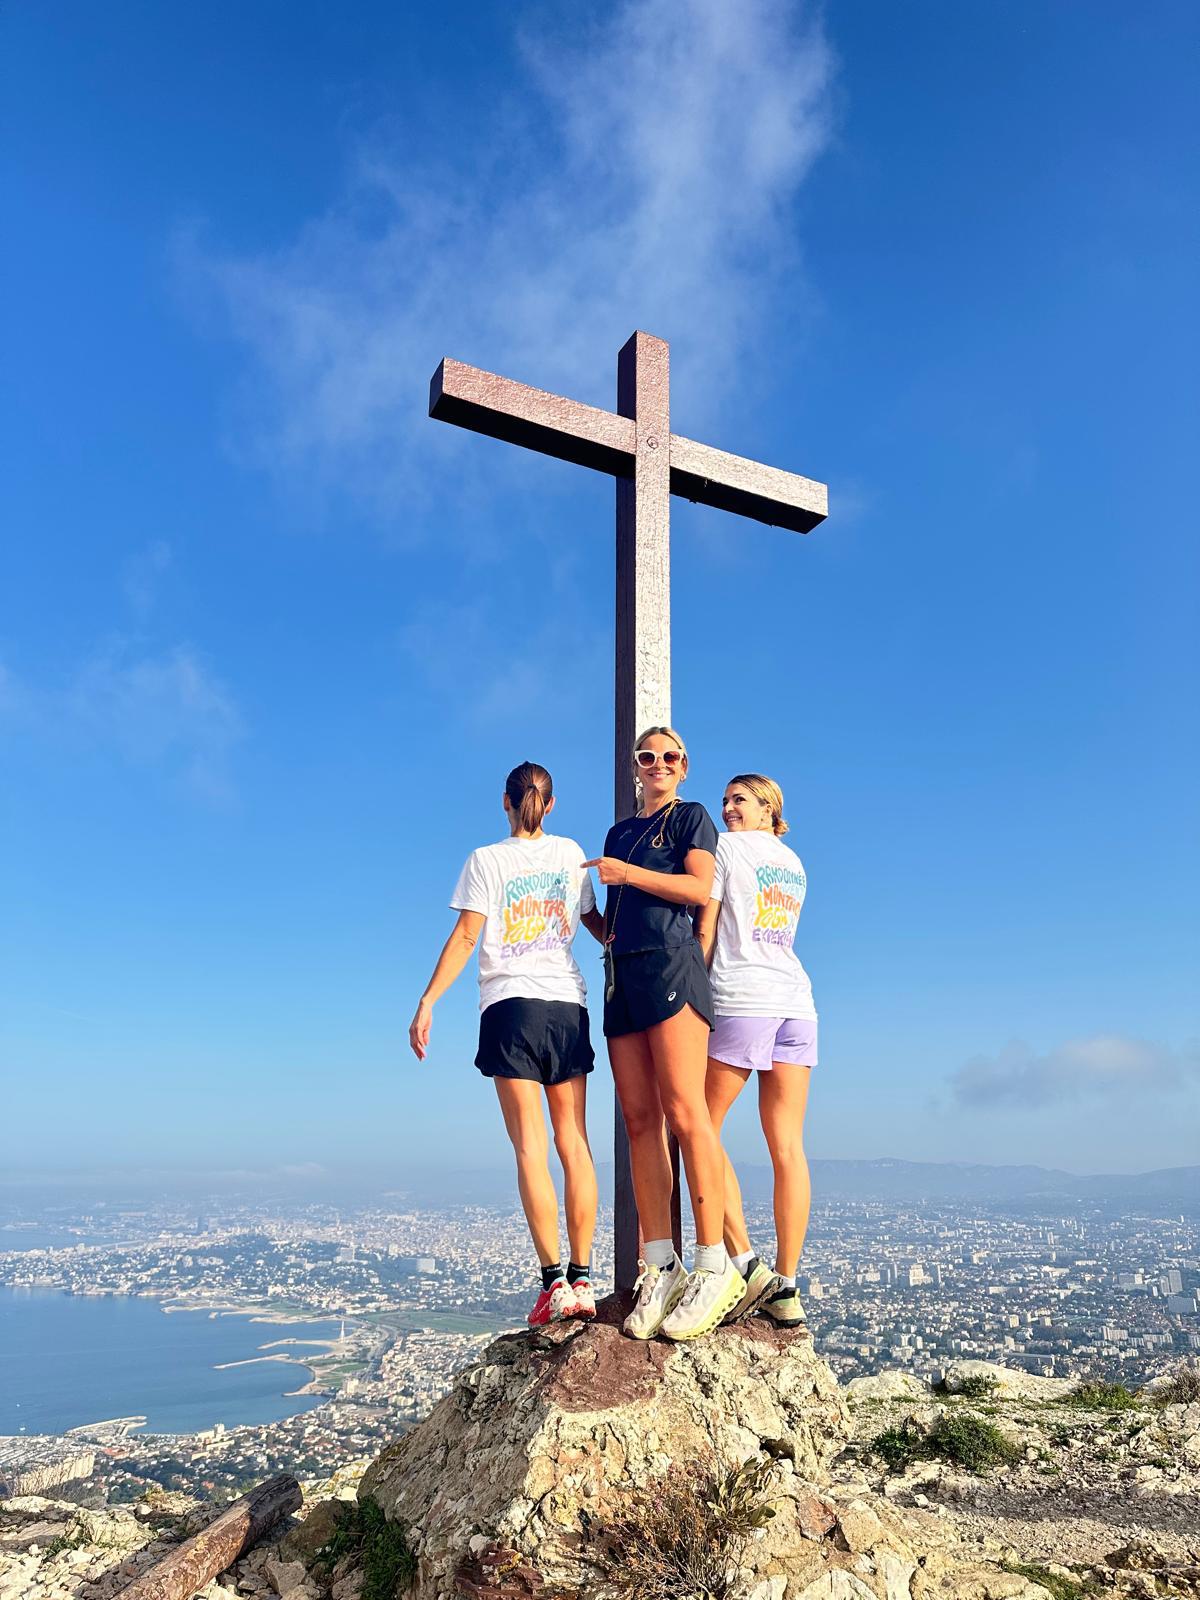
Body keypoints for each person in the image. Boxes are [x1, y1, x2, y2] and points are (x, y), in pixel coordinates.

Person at [409, 761, 605, 1328]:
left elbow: (469, 934)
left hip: (511, 1005)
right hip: (567, 1005)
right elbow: (594, 921)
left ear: (505, 801)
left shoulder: (487, 860)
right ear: (552, 803)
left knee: (530, 1148)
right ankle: (585, 1275)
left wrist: (428, 1000)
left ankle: (554, 1287)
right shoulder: (572, 853)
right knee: (575, 1142)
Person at [585, 726, 744, 1341]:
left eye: (668, 757)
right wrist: (589, 915)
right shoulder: (619, 832)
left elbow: (699, 890)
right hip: (622, 974)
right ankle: (660, 1263)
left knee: (686, 1111)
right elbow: (620, 922)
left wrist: (628, 874)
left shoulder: (691, 819)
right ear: (634, 767)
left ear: (684, 766)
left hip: (673, 969)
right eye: (646, 757)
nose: (657, 764)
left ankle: (712, 1262)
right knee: (638, 1120)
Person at [697, 773, 818, 1331]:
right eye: (725, 801)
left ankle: (747, 1263)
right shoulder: (793, 864)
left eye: (738, 799)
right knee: (788, 1147)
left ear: (769, 806)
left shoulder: (724, 848)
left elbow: (707, 928)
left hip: (744, 997)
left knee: (696, 1126)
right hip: (797, 1003)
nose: (727, 809)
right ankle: (788, 1285)